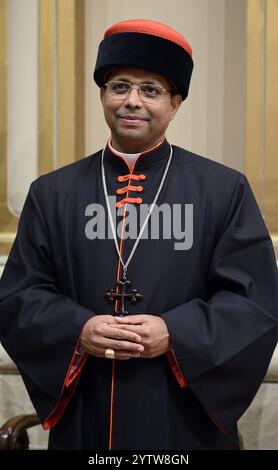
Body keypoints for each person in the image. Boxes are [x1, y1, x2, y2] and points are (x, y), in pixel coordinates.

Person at [0, 19, 277, 451]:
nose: (132, 101)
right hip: (86, 413)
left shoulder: (224, 190)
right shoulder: (52, 193)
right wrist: (80, 329)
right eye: (120, 86)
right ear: (102, 95)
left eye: (151, 90)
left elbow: (254, 304)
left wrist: (175, 332)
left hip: (181, 417)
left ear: (175, 102)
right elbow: (19, 297)